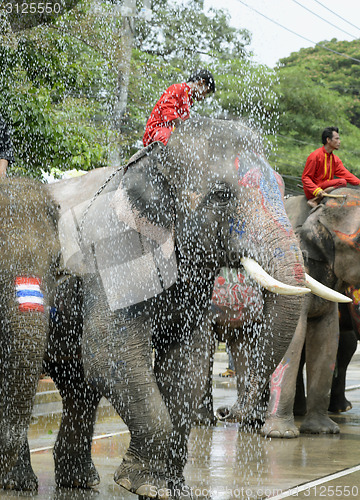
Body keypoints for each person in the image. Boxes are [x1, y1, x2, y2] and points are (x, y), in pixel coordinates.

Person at [142, 68, 215, 147]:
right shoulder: (178, 88)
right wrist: (184, 126)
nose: (204, 97)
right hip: (157, 130)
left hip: (170, 131)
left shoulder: (188, 100)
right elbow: (167, 111)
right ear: (201, 83)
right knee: (167, 139)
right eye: (206, 92)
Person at [302, 126, 360, 207]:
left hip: (325, 188)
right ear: (328, 140)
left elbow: (347, 175)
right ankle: (314, 200)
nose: (339, 142)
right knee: (342, 182)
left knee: (343, 182)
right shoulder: (315, 156)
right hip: (314, 191)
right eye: (336, 139)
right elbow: (305, 178)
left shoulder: (335, 159)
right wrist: (316, 190)